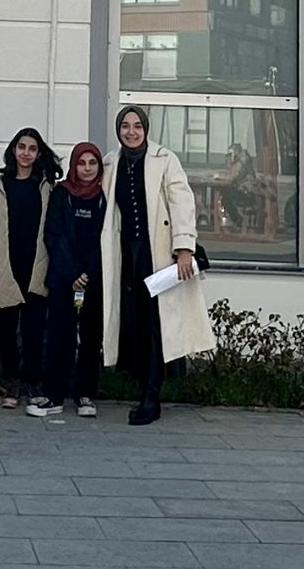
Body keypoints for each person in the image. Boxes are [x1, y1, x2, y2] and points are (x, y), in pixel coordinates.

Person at [106, 104, 217, 426]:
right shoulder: (111, 162)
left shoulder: (165, 159)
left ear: (146, 128)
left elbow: (182, 202)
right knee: (134, 323)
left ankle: (151, 397)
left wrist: (184, 248)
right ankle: (141, 385)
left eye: (137, 126)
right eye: (125, 126)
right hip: (125, 254)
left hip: (158, 253)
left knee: (156, 325)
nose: (131, 132)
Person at [0, 127, 58, 410]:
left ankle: (32, 382)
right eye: (22, 147)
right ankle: (11, 381)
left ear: (38, 153)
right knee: (7, 333)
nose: (26, 153)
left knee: (34, 333)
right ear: (13, 150)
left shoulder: (47, 187)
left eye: (32, 148)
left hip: (36, 268)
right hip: (5, 268)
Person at [32, 141, 107, 419]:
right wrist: (74, 272)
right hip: (63, 280)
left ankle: (85, 394)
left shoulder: (104, 196)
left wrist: (89, 273)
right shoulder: (61, 194)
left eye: (92, 163)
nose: (87, 169)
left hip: (93, 281)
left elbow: (106, 238)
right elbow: (54, 234)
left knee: (90, 339)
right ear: (74, 166)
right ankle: (54, 395)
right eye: (81, 163)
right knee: (59, 338)